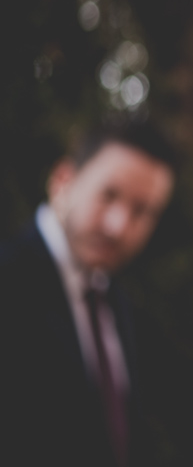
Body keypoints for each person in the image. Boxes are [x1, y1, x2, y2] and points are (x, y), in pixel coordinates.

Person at [0, 121, 177, 467]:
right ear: (63, 182)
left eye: (142, 211)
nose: (119, 226)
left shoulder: (114, 304)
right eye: (108, 195)